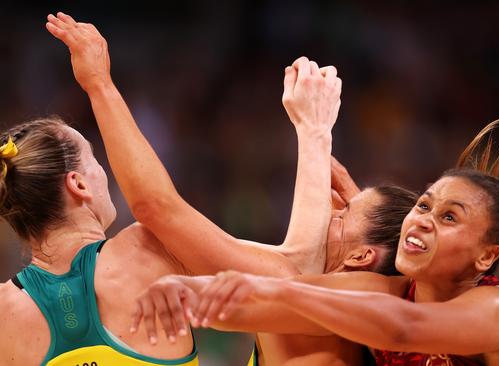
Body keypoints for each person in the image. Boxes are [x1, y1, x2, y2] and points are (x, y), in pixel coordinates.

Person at [43, 12, 417, 366]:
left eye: (344, 213)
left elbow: (158, 207)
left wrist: (100, 85)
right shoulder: (337, 298)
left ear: (361, 257)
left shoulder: (340, 296)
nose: (331, 208)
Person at [135, 120, 499, 366]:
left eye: (450, 217)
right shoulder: (383, 292)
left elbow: (406, 329)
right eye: (425, 205)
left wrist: (287, 290)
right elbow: (260, 307)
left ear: (486, 255)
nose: (425, 220)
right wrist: (190, 294)